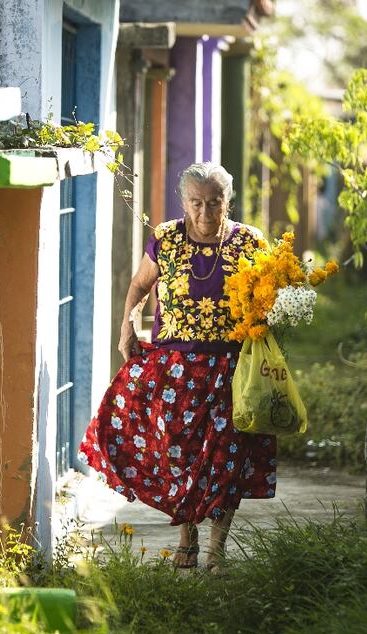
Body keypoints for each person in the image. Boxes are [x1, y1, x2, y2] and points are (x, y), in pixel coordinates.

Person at [79, 162, 277, 571]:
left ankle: (216, 551)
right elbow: (139, 284)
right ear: (184, 202)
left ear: (228, 201)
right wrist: (127, 326)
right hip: (176, 371)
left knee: (228, 460)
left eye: (215, 202)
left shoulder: (251, 243)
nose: (205, 212)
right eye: (196, 203)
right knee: (178, 456)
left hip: (231, 369)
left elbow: (270, 301)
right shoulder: (166, 239)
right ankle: (187, 537)